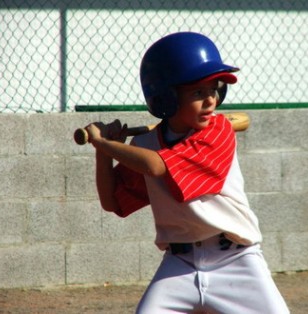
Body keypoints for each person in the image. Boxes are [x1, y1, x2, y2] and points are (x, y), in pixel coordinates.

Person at [86, 32, 290, 314]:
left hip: (237, 261)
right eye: (197, 92)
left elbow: (156, 166)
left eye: (214, 89)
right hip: (179, 264)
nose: (211, 101)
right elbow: (113, 202)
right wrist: (103, 153)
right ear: (166, 99)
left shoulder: (219, 131)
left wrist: (102, 142)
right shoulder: (144, 145)